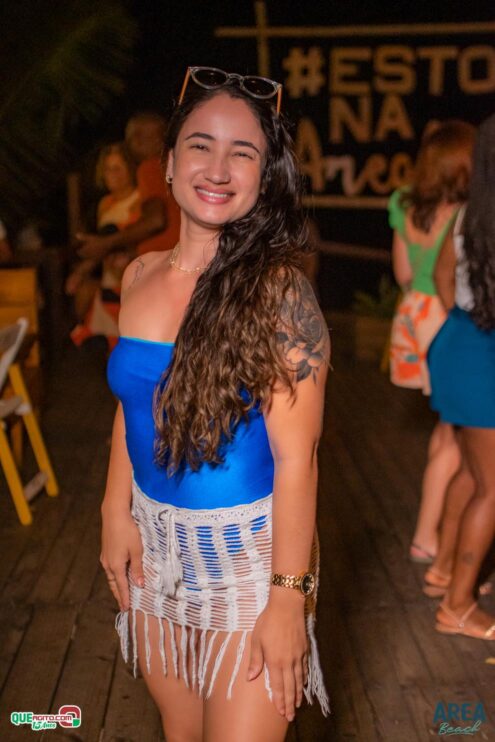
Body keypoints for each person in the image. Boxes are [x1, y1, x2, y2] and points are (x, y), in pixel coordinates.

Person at [101, 67, 330, 741]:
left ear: (265, 177)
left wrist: (287, 600)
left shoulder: (279, 294)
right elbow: (133, 404)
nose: (219, 168)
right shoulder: (138, 274)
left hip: (248, 563)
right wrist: (115, 511)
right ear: (169, 163)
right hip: (154, 552)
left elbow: (298, 460)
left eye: (243, 153)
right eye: (201, 145)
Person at [388, 121, 475, 566]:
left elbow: (404, 274)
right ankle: (430, 537)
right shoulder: (468, 212)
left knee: (447, 432)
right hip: (447, 317)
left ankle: (431, 534)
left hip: (412, 316)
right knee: (455, 437)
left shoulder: (404, 202)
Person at [427, 114, 495, 640]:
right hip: (481, 355)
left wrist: (465, 320)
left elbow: (441, 275)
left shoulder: (470, 212)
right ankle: (458, 606)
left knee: (474, 474)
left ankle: (445, 568)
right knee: (492, 488)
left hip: (456, 342)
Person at [77, 112, 180, 261]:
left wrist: (106, 243)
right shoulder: (177, 166)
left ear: (136, 140)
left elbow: (155, 221)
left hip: (165, 263)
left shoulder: (150, 167)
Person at [68, 142, 140, 350]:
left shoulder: (140, 199)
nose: (113, 174)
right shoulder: (105, 204)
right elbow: (102, 247)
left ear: (130, 169)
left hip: (131, 281)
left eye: (118, 168)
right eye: (108, 169)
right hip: (108, 280)